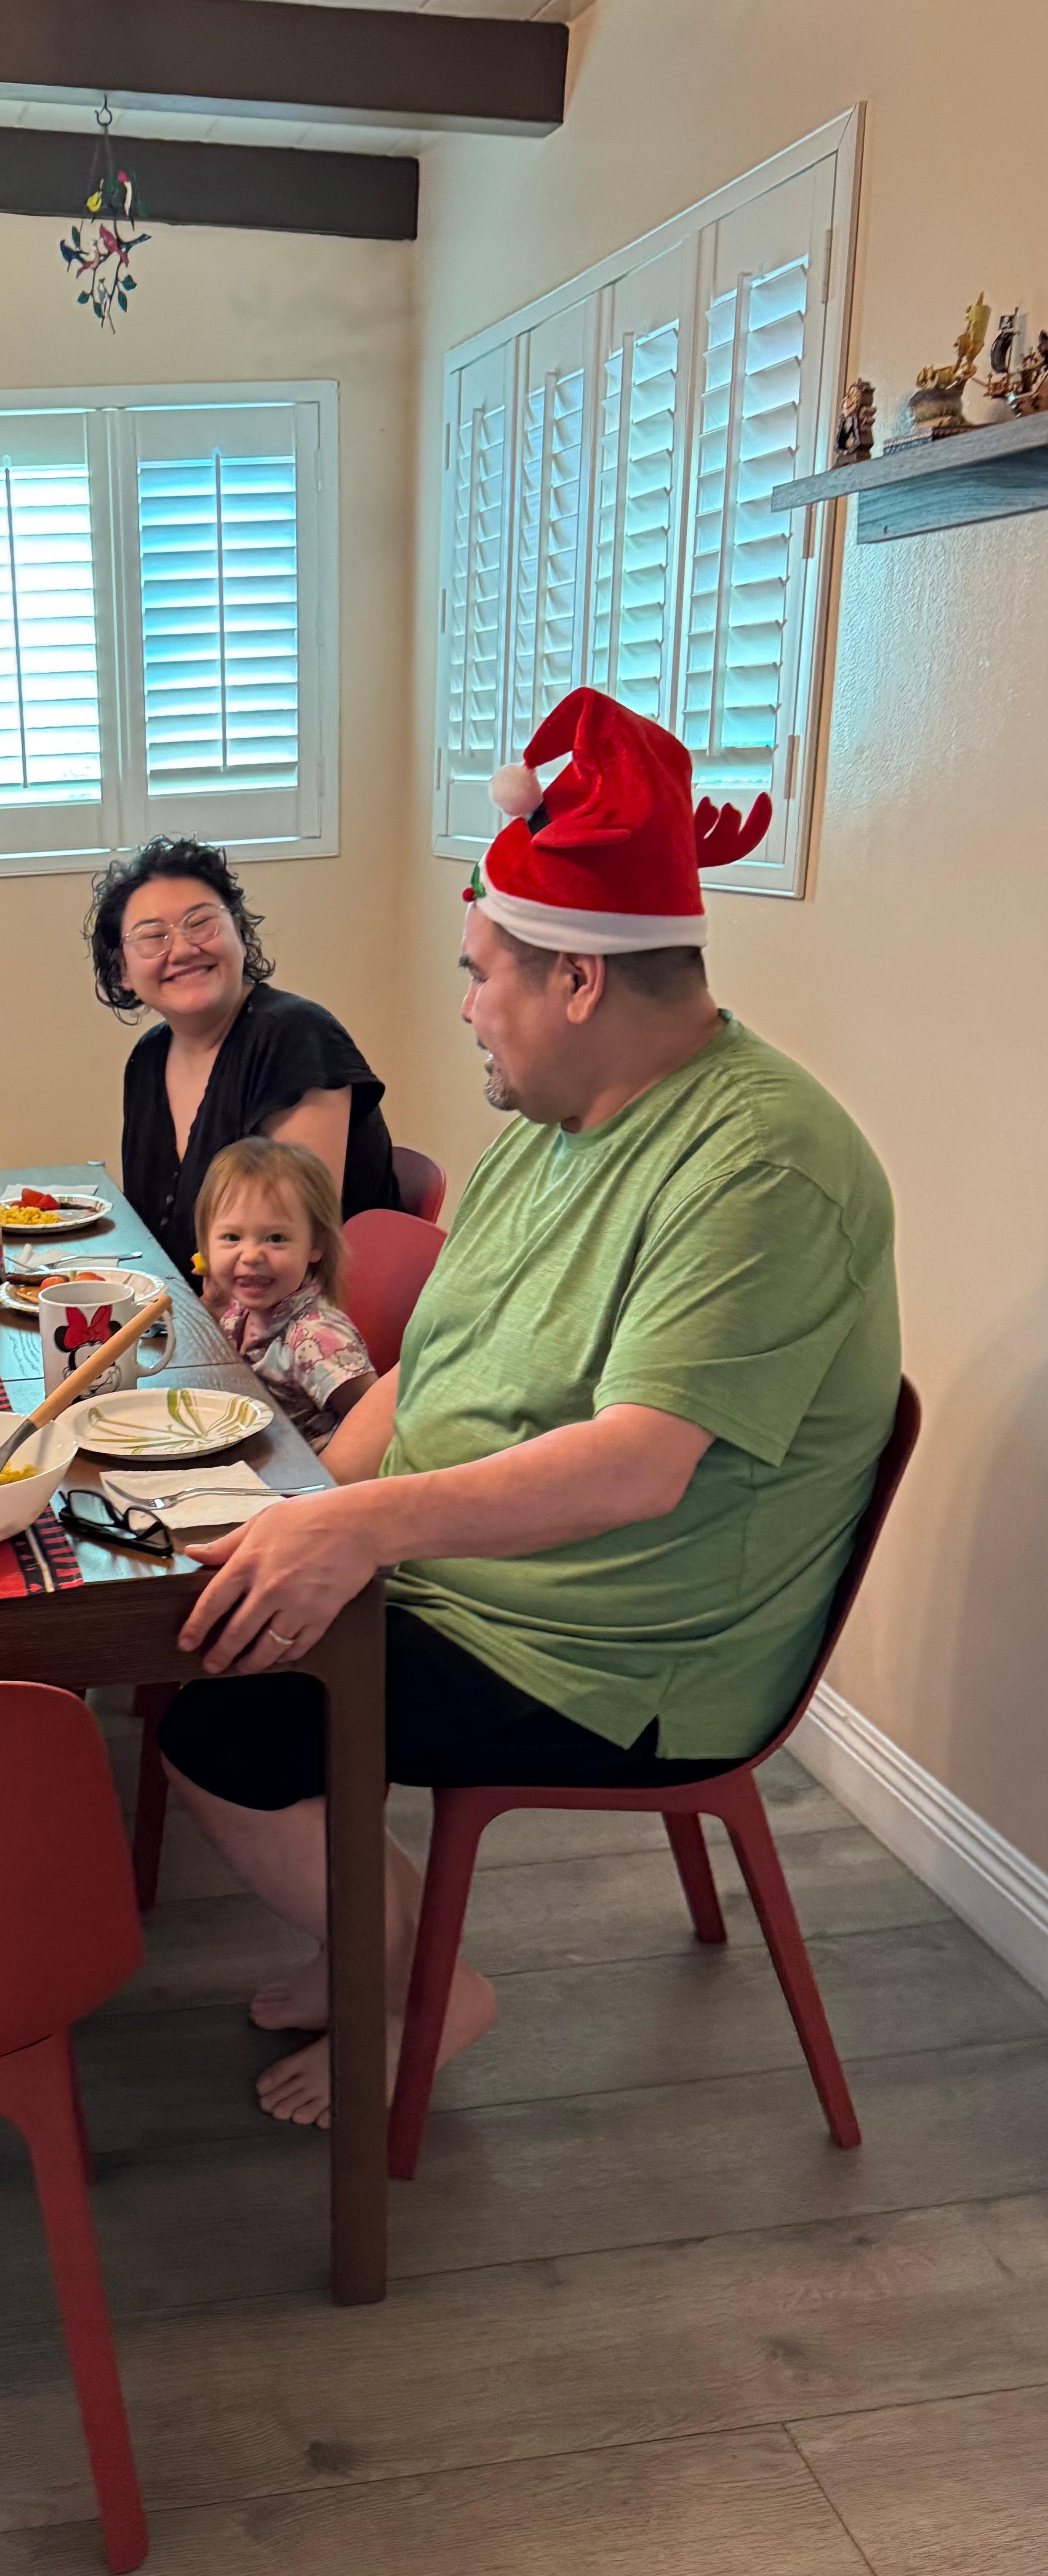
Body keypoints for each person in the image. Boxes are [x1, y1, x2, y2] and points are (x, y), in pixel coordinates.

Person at [158, 688, 901, 2129]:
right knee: (206, 1609)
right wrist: (290, 1512)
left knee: (223, 1720)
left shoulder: (758, 1167)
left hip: (615, 1650)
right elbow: (422, 1388)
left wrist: (354, 1530)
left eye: (477, 970)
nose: (459, 1004)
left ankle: (425, 1991)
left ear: (573, 982)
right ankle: (359, 1932)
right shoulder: (553, 1128)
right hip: (481, 1573)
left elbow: (632, 1468)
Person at [86, 837, 399, 1283]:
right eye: (154, 937)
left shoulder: (295, 1038)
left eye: (201, 924)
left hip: (298, 1336)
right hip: (188, 1324)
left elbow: (286, 1261)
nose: (182, 949)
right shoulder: (147, 1059)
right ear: (122, 971)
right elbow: (153, 1242)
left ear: (239, 932)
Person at [197, 1137, 375, 1452]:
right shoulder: (243, 1307)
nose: (251, 1255)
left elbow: (377, 1424)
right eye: (231, 1237)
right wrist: (212, 1307)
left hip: (303, 1482)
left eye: (276, 1238)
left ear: (315, 1245)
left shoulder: (318, 1340)